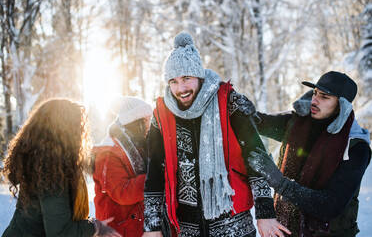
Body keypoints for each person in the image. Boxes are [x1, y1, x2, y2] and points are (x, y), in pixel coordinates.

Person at [142, 32, 290, 237]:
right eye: (173, 81)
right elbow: (155, 172)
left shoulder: (229, 102)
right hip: (188, 227)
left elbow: (256, 156)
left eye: (186, 78)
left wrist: (265, 212)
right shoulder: (162, 115)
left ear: (199, 77)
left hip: (233, 224)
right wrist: (152, 226)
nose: (181, 88)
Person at [247, 71, 371, 236]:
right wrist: (243, 109)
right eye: (315, 93)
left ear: (341, 105)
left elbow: (330, 205)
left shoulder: (355, 147)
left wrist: (280, 182)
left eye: (324, 97)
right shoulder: (298, 124)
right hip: (287, 229)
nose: (314, 100)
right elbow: (260, 122)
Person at [1, 99, 120, 237]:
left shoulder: (44, 162)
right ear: (65, 131)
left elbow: (86, 161)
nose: (81, 133)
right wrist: (95, 227)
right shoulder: (50, 172)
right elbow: (60, 233)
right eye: (78, 127)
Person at [93, 96, 152, 237]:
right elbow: (122, 192)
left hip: (132, 226)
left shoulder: (137, 145)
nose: (150, 124)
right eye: (147, 120)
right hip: (117, 230)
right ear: (135, 122)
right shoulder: (108, 153)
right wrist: (154, 176)